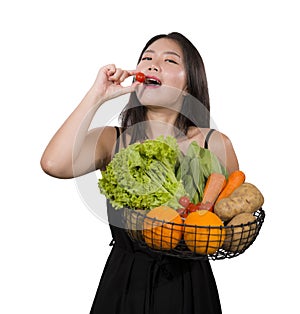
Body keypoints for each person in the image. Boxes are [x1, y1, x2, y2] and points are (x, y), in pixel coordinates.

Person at [41, 32, 239, 314]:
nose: (153, 64)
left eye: (169, 60)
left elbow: (231, 223)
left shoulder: (214, 144)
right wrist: (97, 95)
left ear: (190, 82)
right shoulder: (114, 141)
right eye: (146, 58)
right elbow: (53, 163)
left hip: (189, 286)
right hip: (124, 285)